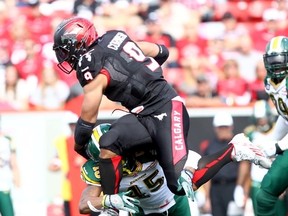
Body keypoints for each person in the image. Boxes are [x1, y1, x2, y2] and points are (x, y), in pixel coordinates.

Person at [52, 16, 270, 214]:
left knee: (180, 184)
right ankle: (112, 203)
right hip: (144, 114)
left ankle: (235, 150)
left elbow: (89, 113)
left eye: (64, 50)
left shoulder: (88, 64)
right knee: (109, 143)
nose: (65, 57)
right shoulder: (113, 37)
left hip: (166, 108)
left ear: (77, 43)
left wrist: (80, 145)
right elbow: (157, 51)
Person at [79, 123, 271, 216]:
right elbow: (84, 204)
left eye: (110, 155)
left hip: (173, 200)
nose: (108, 160)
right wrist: (108, 200)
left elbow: (190, 157)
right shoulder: (99, 169)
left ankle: (234, 150)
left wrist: (186, 173)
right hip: (141, 210)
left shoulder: (144, 147)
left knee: (185, 183)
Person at [250, 35, 288, 216]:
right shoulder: (269, 82)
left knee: (266, 197)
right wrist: (272, 139)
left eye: (280, 60)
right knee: (265, 198)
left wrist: (278, 146)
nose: (275, 65)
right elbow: (285, 115)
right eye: (272, 61)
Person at [235, 100, 287, 215]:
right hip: (257, 183)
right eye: (259, 120)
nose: (262, 123)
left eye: (264, 119)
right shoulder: (250, 134)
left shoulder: (281, 130)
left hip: (277, 181)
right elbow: (245, 163)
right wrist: (240, 187)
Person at [199, 112, 243, 216]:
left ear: (231, 127)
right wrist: (207, 197)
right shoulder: (209, 146)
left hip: (233, 186)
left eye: (225, 127)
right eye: (220, 127)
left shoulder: (238, 144)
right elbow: (206, 172)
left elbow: (244, 167)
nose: (223, 130)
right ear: (215, 128)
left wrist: (241, 189)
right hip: (216, 189)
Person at [0, 129, 20, 216]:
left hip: (4, 184)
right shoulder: (7, 139)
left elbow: (14, 163)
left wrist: (17, 179)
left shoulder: (7, 139)